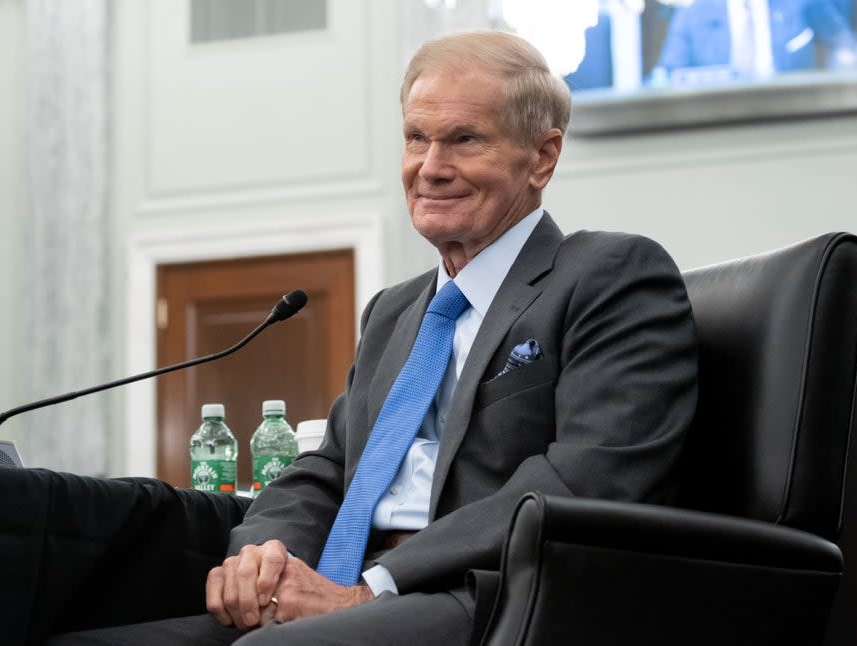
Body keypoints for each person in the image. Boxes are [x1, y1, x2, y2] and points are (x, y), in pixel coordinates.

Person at [49, 29, 699, 645]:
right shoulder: (394, 312)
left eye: (465, 140)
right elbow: (327, 470)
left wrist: (373, 589)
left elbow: (583, 484)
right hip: (343, 594)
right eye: (417, 138)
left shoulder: (609, 275)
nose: (431, 167)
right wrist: (262, 556)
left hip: (487, 598)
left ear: (543, 156)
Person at [652, 0, 856, 83]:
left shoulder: (801, 2)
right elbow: (668, 75)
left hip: (794, 122)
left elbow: (843, 43)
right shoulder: (693, 13)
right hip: (718, 129)